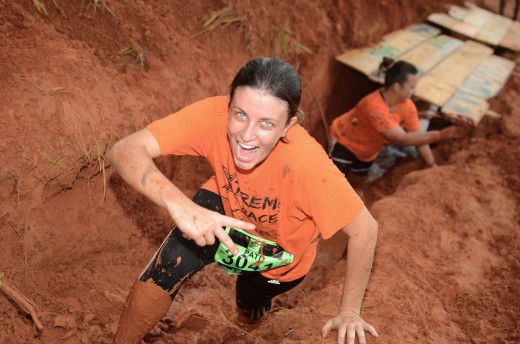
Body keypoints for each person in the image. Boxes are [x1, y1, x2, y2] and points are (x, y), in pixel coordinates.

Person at [108, 57, 379, 344]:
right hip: (225, 205)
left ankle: (249, 319)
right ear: (229, 105)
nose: (247, 135)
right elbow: (124, 150)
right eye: (239, 115)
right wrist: (179, 203)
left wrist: (350, 310)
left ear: (288, 125)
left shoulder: (308, 166)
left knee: (249, 300)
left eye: (266, 123)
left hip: (278, 256)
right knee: (167, 265)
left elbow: (365, 230)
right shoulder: (211, 116)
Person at [329, 57, 465, 188]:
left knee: (357, 182)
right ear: (397, 87)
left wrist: (432, 164)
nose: (414, 91)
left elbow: (418, 137)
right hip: (344, 141)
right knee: (334, 183)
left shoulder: (407, 106)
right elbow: (402, 139)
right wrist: (440, 135)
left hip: (368, 151)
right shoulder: (374, 107)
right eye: (411, 87)